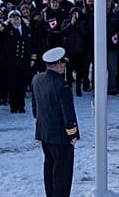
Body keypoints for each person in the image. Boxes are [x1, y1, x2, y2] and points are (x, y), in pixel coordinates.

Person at [32, 47, 80, 197]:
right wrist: (72, 133)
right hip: (61, 137)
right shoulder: (62, 85)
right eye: (63, 64)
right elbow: (68, 114)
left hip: (44, 133)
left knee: (49, 167)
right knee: (62, 174)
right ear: (59, 65)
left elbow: (35, 106)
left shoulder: (37, 79)